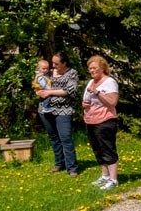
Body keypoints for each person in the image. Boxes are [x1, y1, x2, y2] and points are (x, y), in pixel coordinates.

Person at [36, 50, 79, 176]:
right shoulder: (47, 72)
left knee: (65, 137)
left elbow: (70, 91)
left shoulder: (72, 73)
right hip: (45, 109)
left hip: (64, 110)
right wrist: (37, 91)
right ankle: (59, 164)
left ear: (64, 63)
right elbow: (38, 84)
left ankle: (72, 168)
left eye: (56, 64)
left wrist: (49, 92)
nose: (53, 66)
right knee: (54, 138)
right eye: (52, 63)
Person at [82, 55, 120, 190]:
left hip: (105, 120)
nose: (91, 71)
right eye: (89, 68)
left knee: (107, 148)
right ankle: (105, 176)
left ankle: (114, 179)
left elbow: (112, 102)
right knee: (97, 149)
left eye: (94, 68)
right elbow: (87, 100)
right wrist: (85, 104)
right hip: (91, 120)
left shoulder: (109, 82)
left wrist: (97, 93)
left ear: (102, 68)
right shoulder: (90, 82)